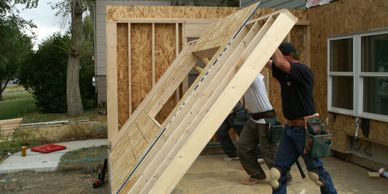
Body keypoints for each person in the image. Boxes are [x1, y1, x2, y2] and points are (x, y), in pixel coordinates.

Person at [267, 42, 337, 194]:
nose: (276, 58)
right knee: (276, 173)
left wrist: (269, 41)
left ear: (291, 55)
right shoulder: (284, 73)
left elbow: (278, 61)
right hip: (290, 129)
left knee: (317, 173)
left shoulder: (302, 70)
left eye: (280, 55)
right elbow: (270, 63)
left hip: (306, 130)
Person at [237, 73, 282, 185]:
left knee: (269, 151)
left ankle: (283, 176)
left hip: (265, 119)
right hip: (253, 118)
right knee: (243, 146)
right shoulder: (240, 78)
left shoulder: (255, 77)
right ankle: (256, 174)